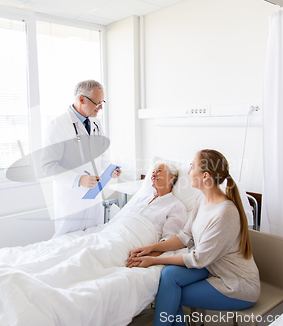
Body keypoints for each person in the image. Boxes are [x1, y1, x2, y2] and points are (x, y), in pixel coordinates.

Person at [126, 149, 260, 326]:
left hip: (236, 285)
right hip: (213, 268)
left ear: (205, 176)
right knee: (168, 276)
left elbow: (198, 258)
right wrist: (152, 248)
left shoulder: (225, 213)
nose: (188, 172)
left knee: (170, 292)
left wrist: (152, 260)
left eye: (192, 167)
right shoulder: (202, 201)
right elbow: (184, 236)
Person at [41, 80, 121, 238]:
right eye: (97, 103)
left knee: (93, 240)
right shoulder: (58, 126)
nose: (101, 107)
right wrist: (78, 179)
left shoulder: (96, 124)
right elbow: (47, 167)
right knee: (67, 243)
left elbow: (102, 157)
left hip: (94, 197)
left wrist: (111, 170)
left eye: (102, 102)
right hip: (72, 200)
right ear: (81, 99)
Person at [112, 161, 187, 242]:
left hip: (133, 242)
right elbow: (120, 219)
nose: (153, 175)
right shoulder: (141, 199)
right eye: (153, 172)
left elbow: (169, 240)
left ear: (171, 177)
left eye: (159, 171)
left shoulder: (176, 206)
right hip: (116, 234)